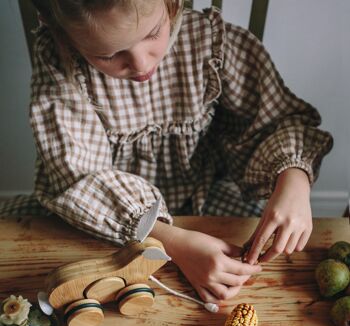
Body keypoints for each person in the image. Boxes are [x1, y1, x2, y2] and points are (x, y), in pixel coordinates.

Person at [1, 0, 332, 304]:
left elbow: (275, 122)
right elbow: (77, 176)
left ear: (171, 4)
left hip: (206, 199)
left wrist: (294, 180)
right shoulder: (61, 64)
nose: (141, 63)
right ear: (65, 36)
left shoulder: (211, 43)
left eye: (152, 33)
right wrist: (171, 241)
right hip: (110, 221)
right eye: (109, 55)